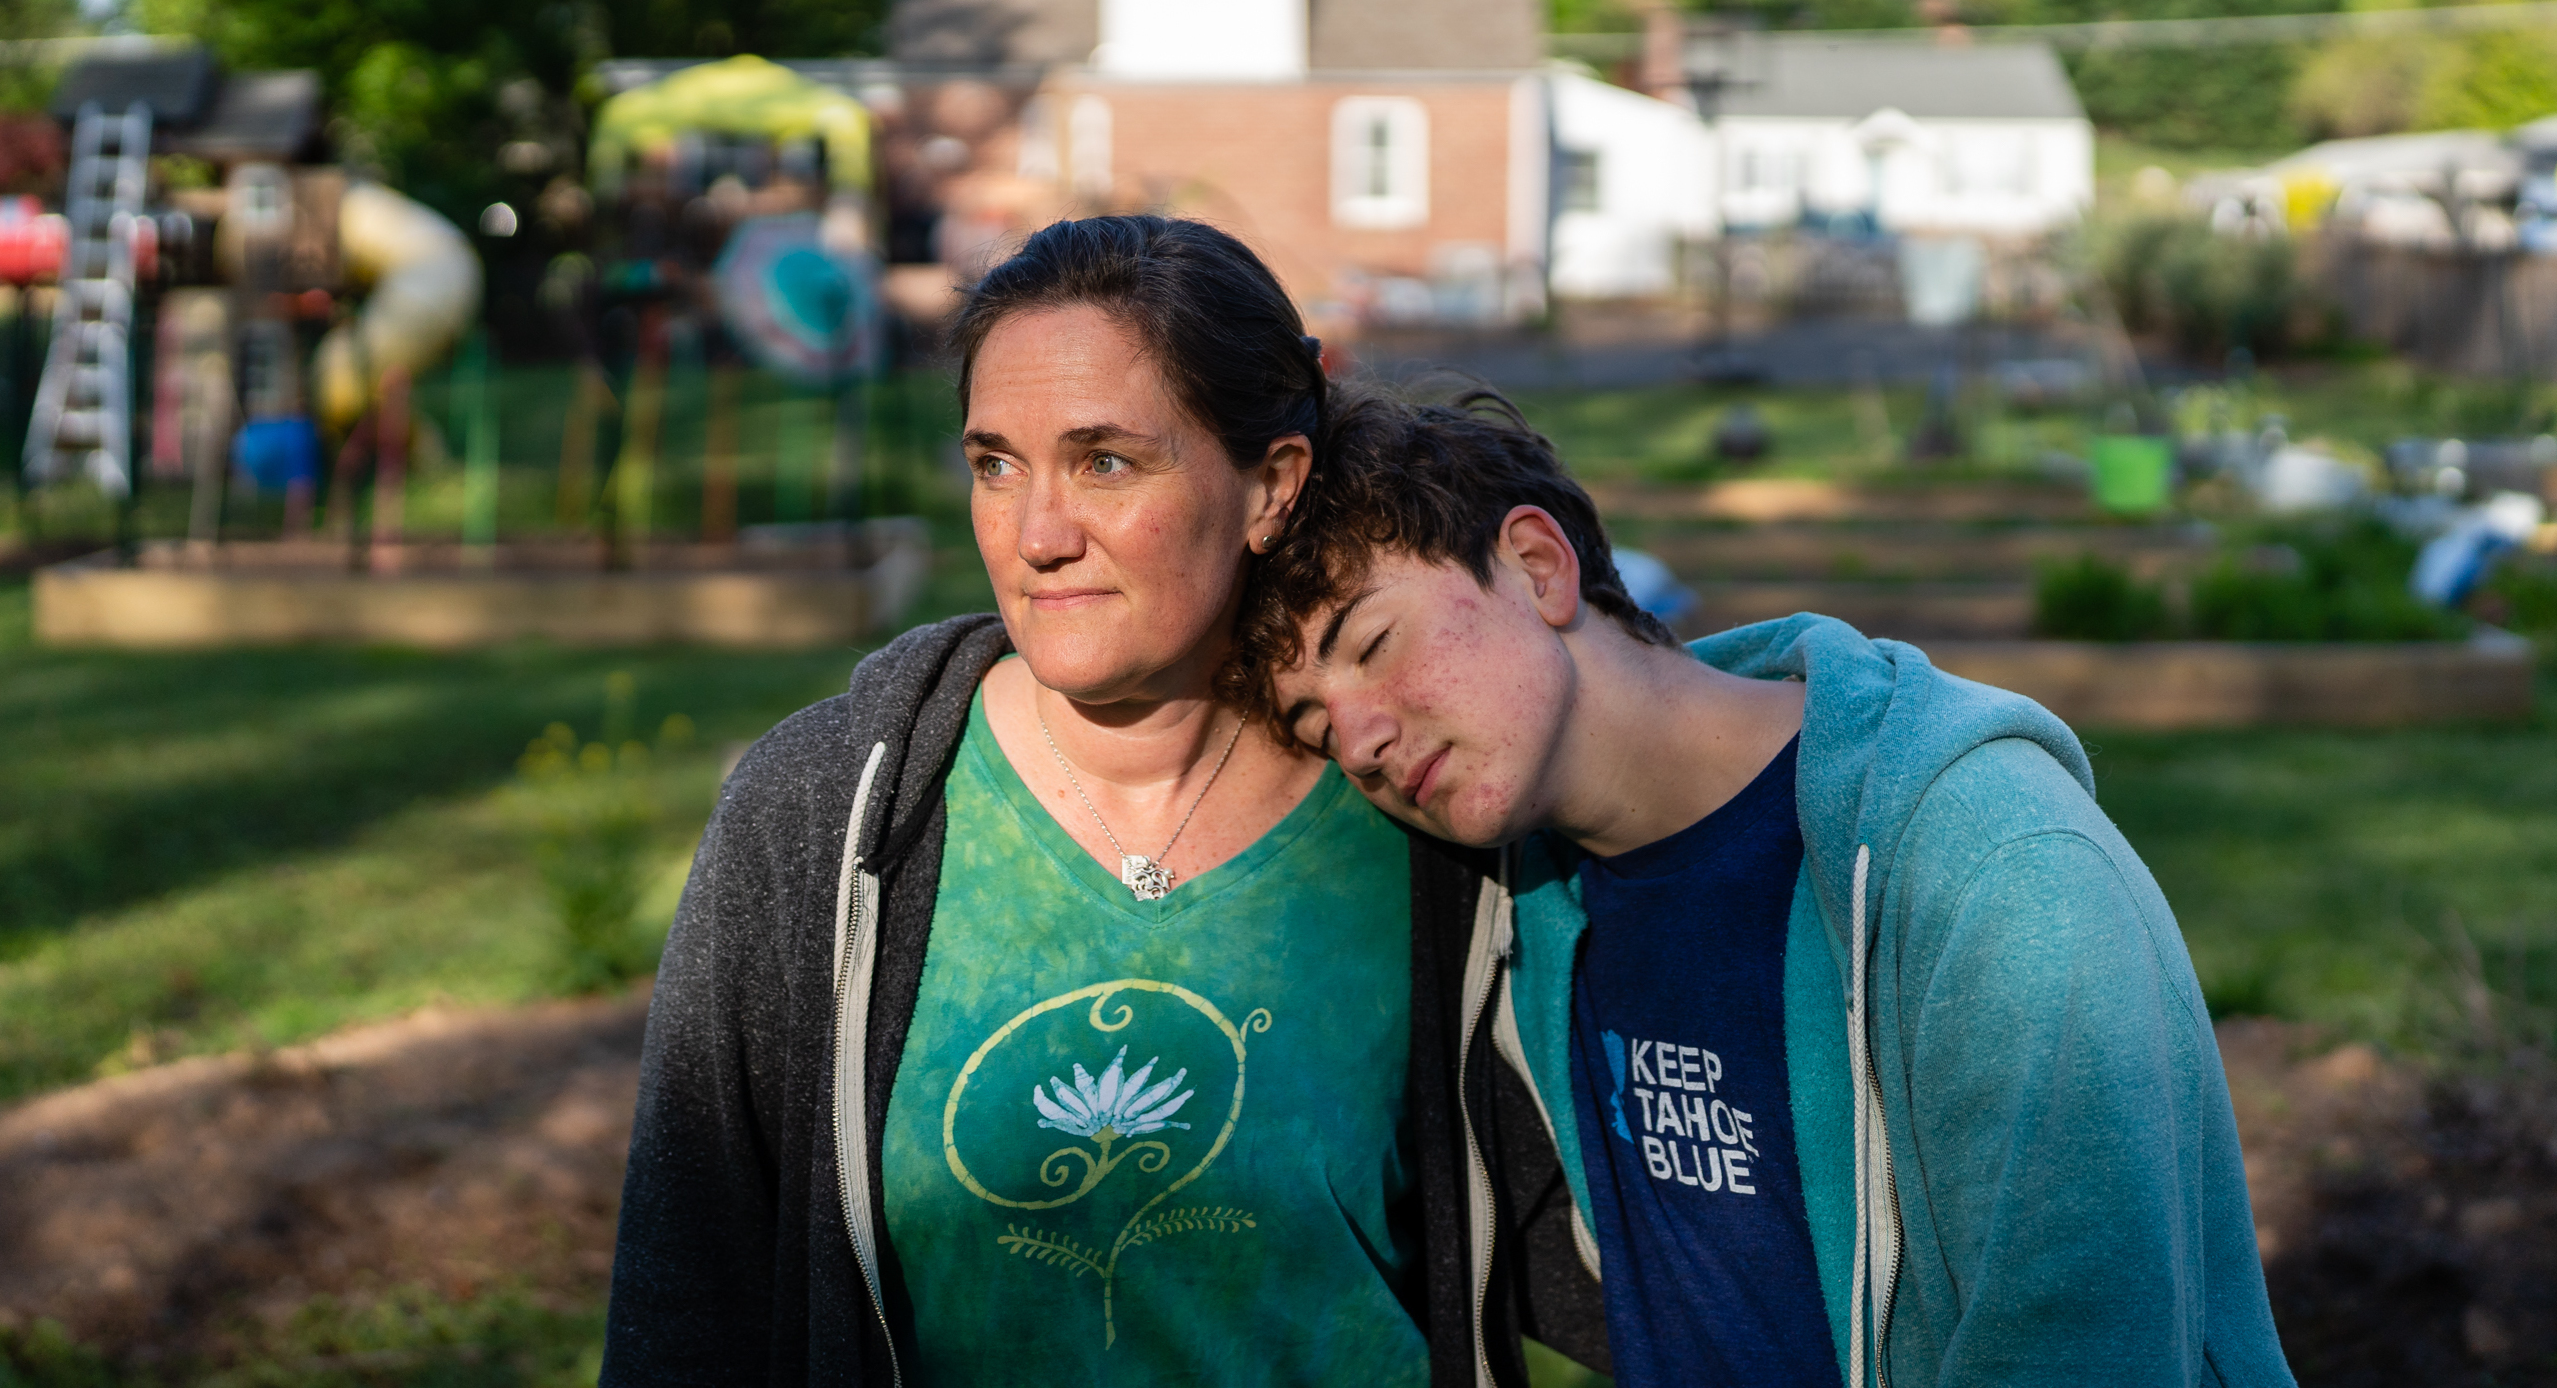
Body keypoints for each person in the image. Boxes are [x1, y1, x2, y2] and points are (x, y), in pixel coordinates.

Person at [602, 218, 1598, 1386]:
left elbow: (1648, 1256)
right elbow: (688, 1292)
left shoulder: (1418, 809)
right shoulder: (826, 811)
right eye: (994, 463)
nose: (1035, 534)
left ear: (1269, 484)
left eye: (1105, 461)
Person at [1230, 387, 2299, 1388]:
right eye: (1318, 727)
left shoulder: (1989, 873)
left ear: (1537, 565)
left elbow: (2083, 1345)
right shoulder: (1528, 904)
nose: (1360, 740)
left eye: (1371, 642)